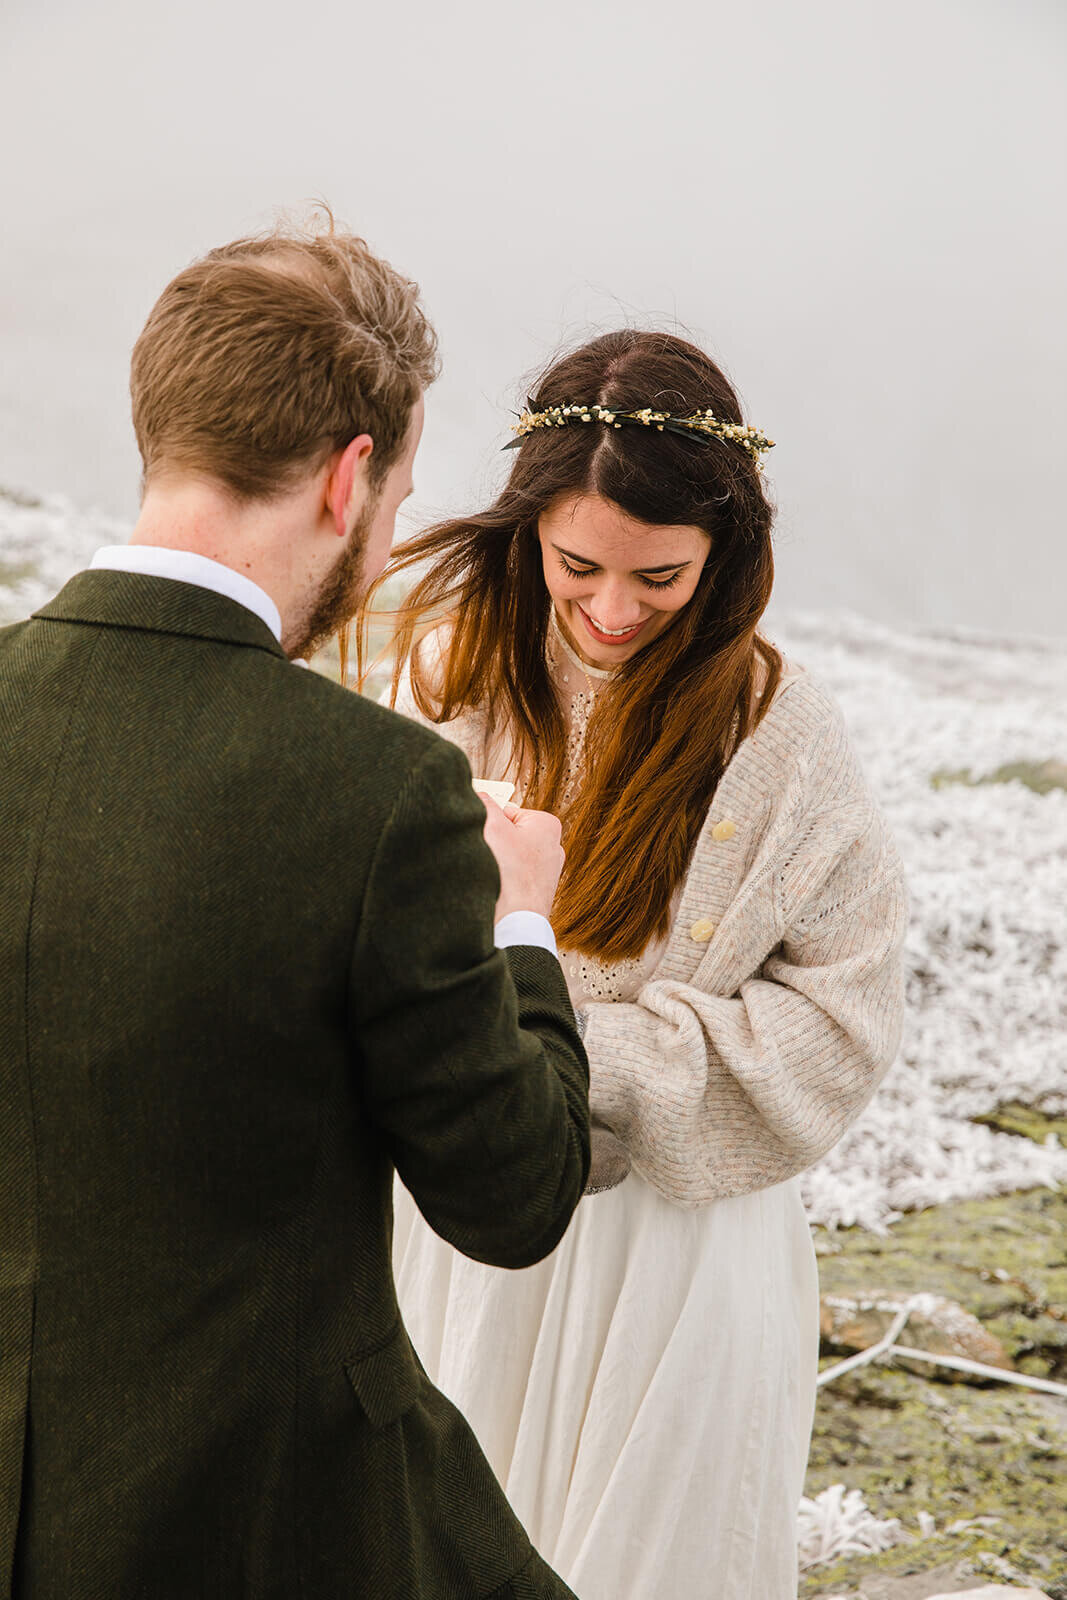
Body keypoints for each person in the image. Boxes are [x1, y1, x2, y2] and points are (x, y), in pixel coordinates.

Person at [0, 219, 591, 1599]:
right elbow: (512, 1195)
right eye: (393, 508)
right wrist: (519, 925)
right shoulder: (378, 796)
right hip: (275, 1520)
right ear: (348, 481)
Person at [376, 330, 909, 1600]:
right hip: (470, 1229)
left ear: (725, 556)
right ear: (527, 533)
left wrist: (575, 1045)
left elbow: (841, 1021)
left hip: (679, 1250)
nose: (614, 611)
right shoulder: (451, 678)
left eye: (660, 575)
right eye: (578, 566)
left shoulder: (780, 736)